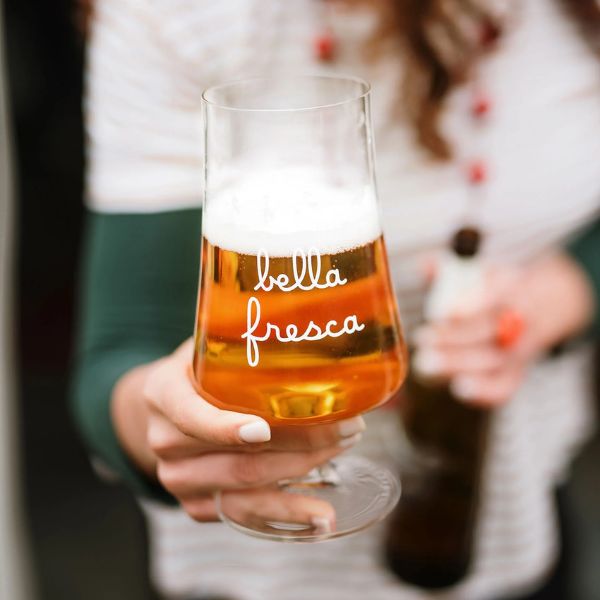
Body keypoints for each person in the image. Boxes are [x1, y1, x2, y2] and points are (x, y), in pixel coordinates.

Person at [71, 1, 600, 598]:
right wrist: (158, 424)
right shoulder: (177, 16)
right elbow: (120, 350)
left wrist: (566, 291)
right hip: (255, 575)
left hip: (512, 518)